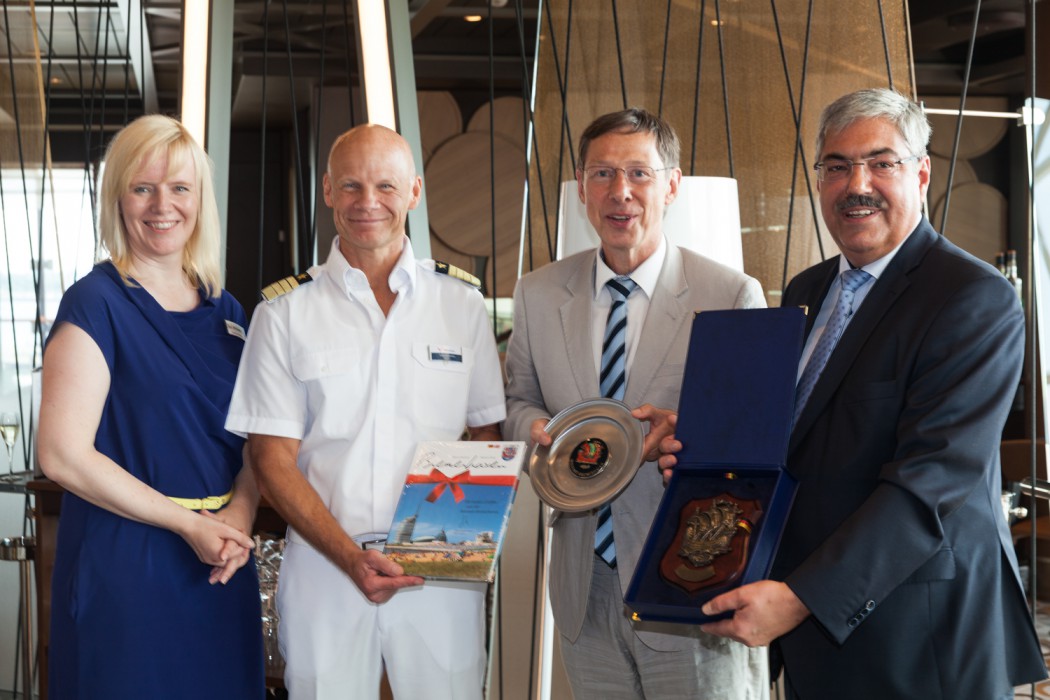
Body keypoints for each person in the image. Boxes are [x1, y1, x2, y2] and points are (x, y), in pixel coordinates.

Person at [662, 88, 1048, 698]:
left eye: (881, 162)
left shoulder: (971, 298)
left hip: (920, 638)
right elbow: (793, 436)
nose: (856, 184)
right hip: (817, 630)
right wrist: (701, 437)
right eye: (836, 166)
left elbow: (929, 484)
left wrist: (801, 598)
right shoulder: (806, 289)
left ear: (921, 173)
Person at [225, 124, 506, 700]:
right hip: (325, 564)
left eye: (385, 185)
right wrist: (352, 557)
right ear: (327, 190)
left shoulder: (462, 304)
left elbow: (485, 434)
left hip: (439, 566)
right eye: (351, 185)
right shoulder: (283, 314)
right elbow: (271, 459)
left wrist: (446, 548)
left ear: (414, 192)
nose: (368, 202)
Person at [504, 108, 768, 699]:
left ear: (671, 185)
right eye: (601, 174)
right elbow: (518, 399)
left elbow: (754, 439)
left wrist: (686, 432)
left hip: (693, 576)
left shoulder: (729, 294)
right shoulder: (540, 293)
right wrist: (542, 431)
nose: (619, 192)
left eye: (639, 174)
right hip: (582, 581)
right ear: (580, 187)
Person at [37, 115, 264, 698]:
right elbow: (62, 455)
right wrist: (186, 524)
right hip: (127, 565)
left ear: (200, 200)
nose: (162, 205)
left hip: (219, 566)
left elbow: (256, 439)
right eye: (143, 187)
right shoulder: (95, 303)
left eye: (179, 188)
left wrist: (238, 515)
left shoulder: (229, 311)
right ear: (119, 197)